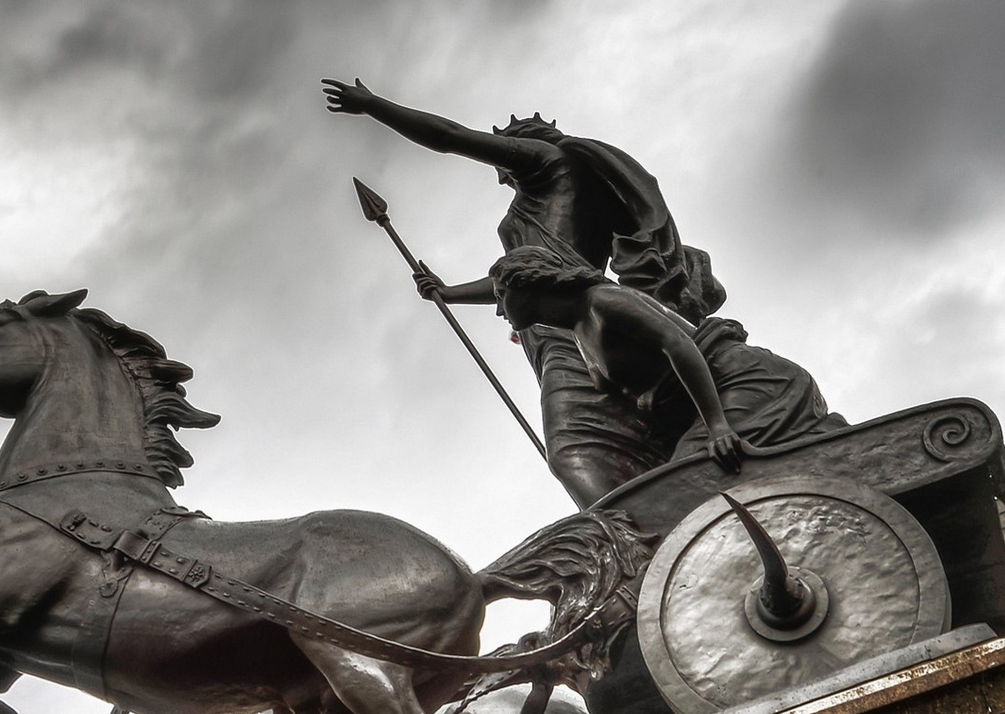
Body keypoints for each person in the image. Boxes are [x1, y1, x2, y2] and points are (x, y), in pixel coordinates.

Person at [324, 77, 725, 505]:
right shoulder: (544, 203)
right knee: (604, 439)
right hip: (549, 321)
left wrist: (372, 105)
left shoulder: (548, 163)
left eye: (503, 156)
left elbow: (450, 137)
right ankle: (650, 510)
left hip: (568, 324)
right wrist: (449, 292)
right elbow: (514, 279)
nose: (499, 176)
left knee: (574, 445)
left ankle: (630, 528)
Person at [487, 246, 845, 473]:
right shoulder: (577, 331)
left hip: (742, 381)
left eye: (501, 296)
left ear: (527, 284)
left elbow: (679, 345)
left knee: (688, 480)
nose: (499, 308)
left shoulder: (602, 301)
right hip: (705, 404)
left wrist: (718, 424)